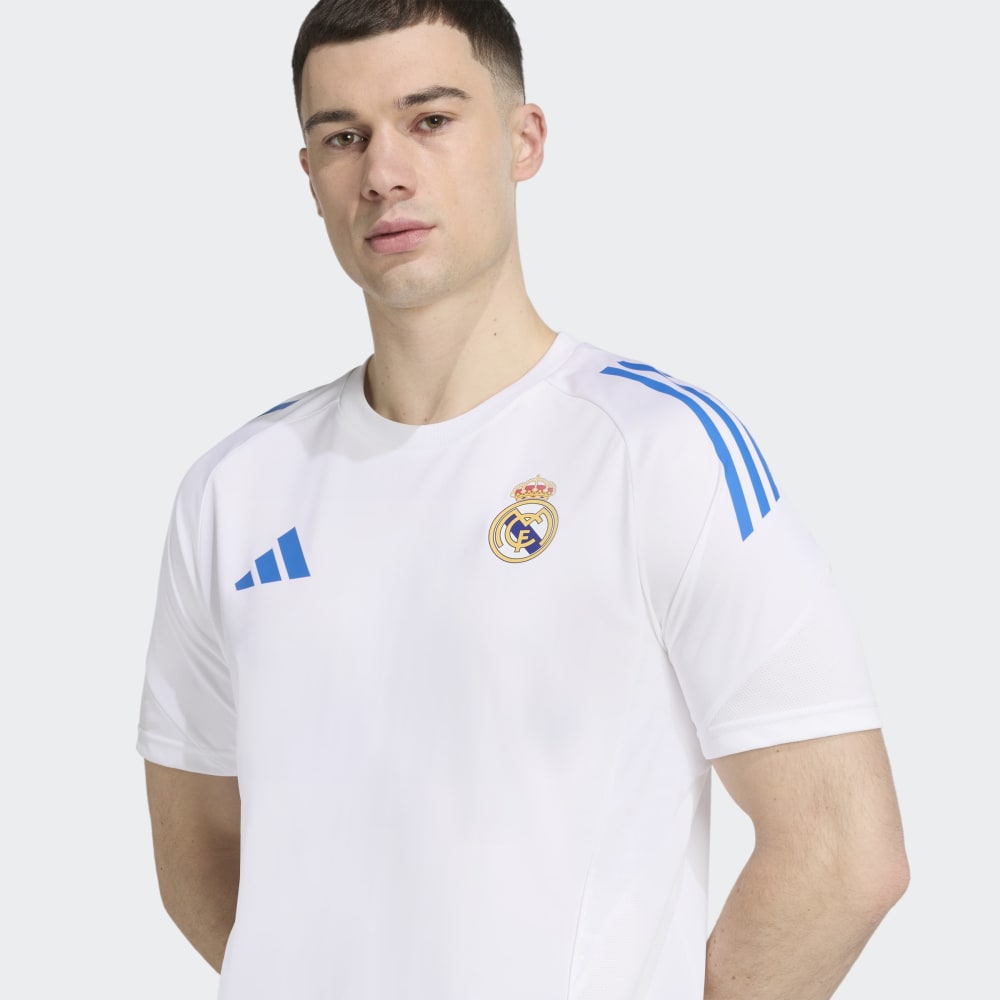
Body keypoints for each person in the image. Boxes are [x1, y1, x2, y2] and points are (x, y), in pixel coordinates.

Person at [137, 2, 909, 997]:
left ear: (523, 139)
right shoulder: (234, 489)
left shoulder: (655, 451)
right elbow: (197, 855)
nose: (384, 172)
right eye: (343, 137)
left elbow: (843, 853)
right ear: (311, 175)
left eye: (430, 119)